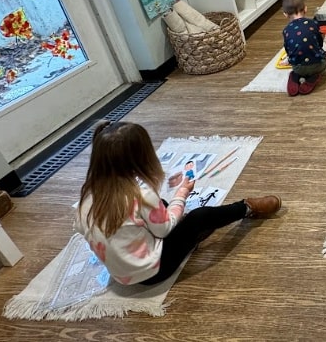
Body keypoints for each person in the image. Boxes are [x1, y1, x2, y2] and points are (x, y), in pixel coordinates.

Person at [74, 120, 281, 286]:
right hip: (153, 272)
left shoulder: (86, 197)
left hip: (121, 276)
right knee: (199, 216)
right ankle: (246, 207)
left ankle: (188, 230)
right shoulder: (142, 195)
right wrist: (182, 192)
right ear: (141, 160)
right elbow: (164, 229)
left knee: (161, 206)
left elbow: (84, 229)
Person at [281, 0, 326, 96]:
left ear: (285, 14)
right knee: (323, 62)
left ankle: (295, 75)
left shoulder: (286, 30)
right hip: (318, 65)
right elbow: (319, 44)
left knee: (297, 66)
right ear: (305, 9)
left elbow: (288, 50)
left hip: (298, 67)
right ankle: (312, 78)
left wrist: (289, 60)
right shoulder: (313, 23)